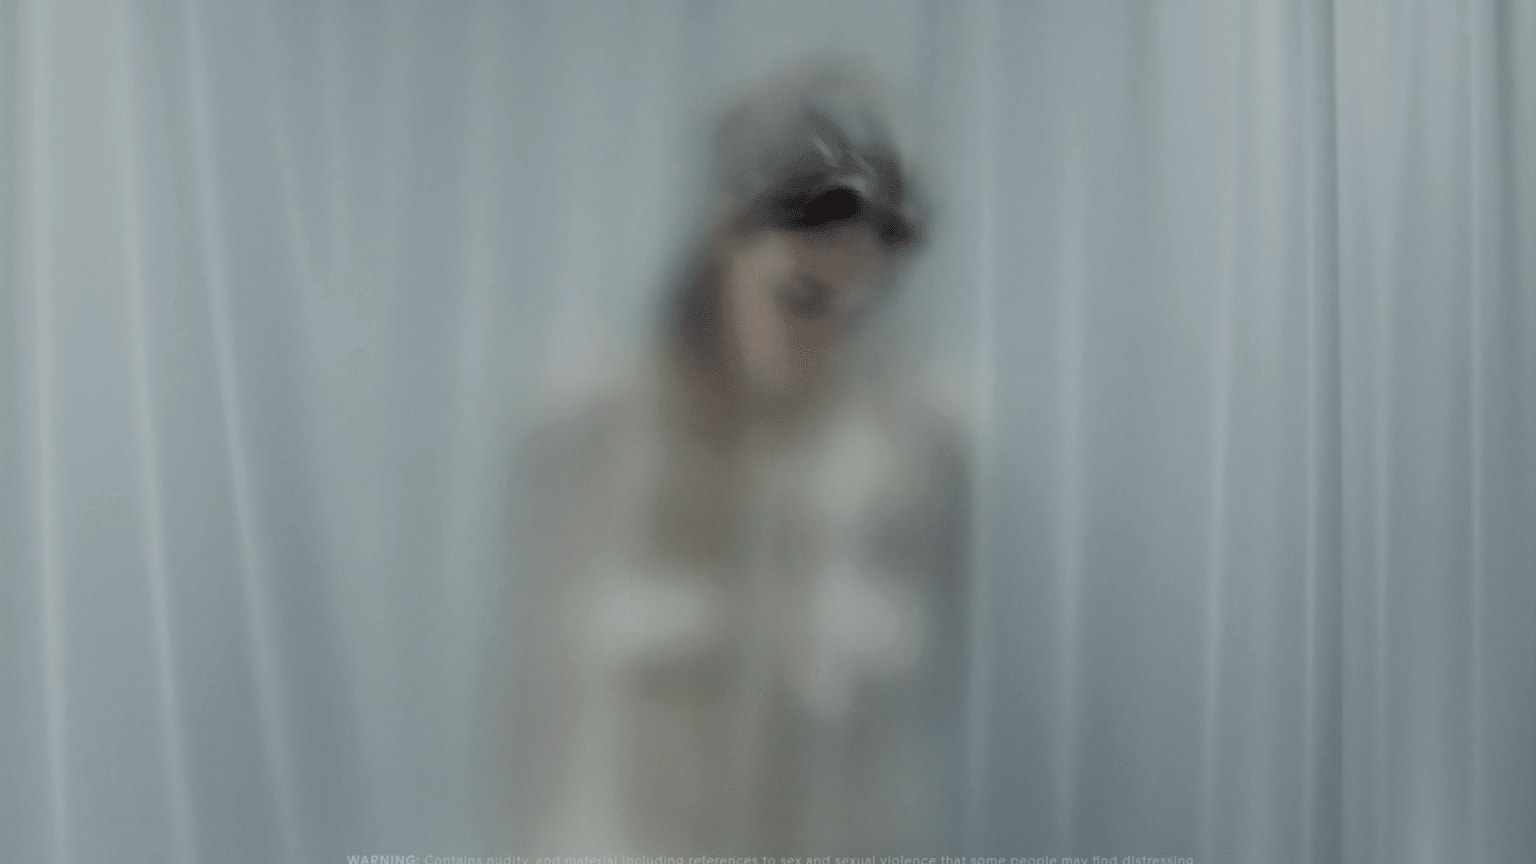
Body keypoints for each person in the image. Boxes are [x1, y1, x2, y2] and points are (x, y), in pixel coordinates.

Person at [472, 59, 970, 857]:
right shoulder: (586, 433)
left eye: (862, 311)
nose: (828, 342)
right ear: (728, 234)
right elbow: (527, 725)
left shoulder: (917, 449)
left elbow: (916, 735)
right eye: (801, 297)